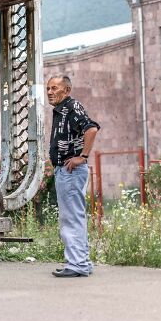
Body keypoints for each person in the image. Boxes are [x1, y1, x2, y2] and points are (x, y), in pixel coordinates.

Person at [46, 75, 99, 278]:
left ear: (66, 90)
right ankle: (81, 262)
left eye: (54, 88)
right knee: (74, 216)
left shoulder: (72, 107)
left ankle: (77, 265)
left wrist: (82, 157)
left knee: (71, 218)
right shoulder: (62, 110)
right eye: (48, 88)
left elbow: (91, 128)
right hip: (66, 171)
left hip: (70, 170)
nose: (50, 92)